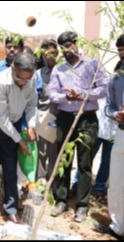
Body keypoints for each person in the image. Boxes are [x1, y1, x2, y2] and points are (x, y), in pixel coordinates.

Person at [48, 31, 108, 223]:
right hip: (65, 118)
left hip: (87, 118)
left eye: (69, 45)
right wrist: (67, 97)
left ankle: (82, 206)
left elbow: (104, 88)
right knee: (64, 159)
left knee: (84, 163)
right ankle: (62, 200)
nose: (66, 50)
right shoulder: (59, 68)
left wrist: (83, 95)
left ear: (77, 44)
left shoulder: (93, 64)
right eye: (63, 47)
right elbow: (52, 94)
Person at [0, 52, 37, 232]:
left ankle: (11, 209)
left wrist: (32, 126)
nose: (22, 82)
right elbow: (2, 118)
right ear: (12, 68)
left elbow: (32, 105)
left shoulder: (31, 79)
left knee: (11, 169)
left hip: (11, 126)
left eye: (26, 80)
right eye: (19, 78)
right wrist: (20, 140)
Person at [71, 61, 120, 204]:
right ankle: (76, 186)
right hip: (97, 128)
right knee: (85, 159)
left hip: (113, 132)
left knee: (106, 162)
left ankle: (98, 189)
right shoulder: (104, 85)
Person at [94, 35, 124, 240]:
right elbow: (109, 107)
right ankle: (118, 226)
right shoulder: (116, 77)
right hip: (121, 132)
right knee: (116, 182)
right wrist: (116, 115)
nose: (122, 53)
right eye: (120, 49)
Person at [35, 39, 59, 183]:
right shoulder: (38, 74)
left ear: (57, 53)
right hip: (43, 116)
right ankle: (41, 182)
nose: (48, 56)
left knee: (55, 153)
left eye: (51, 53)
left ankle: (53, 184)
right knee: (42, 153)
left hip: (60, 116)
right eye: (44, 53)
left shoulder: (65, 70)